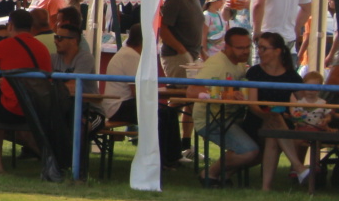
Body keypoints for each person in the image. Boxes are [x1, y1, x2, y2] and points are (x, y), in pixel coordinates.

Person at [0, 9, 52, 173]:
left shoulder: (6, 45)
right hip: (37, 107)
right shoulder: (42, 48)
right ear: (31, 27)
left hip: (13, 108)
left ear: (10, 26)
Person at [100, 25, 185, 164]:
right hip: (119, 106)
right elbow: (137, 91)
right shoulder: (130, 56)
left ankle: (172, 157)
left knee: (167, 113)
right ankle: (164, 159)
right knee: (161, 115)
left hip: (122, 103)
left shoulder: (129, 53)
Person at [187, 27, 255, 187]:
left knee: (263, 146)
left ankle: (222, 176)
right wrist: (225, 95)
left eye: (248, 47)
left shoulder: (239, 63)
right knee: (249, 151)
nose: (245, 51)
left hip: (230, 118)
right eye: (240, 48)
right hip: (211, 120)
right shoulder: (216, 64)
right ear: (227, 47)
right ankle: (210, 174)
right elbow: (192, 91)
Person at [245, 31, 309, 190]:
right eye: (258, 48)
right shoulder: (255, 72)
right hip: (257, 121)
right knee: (274, 119)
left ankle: (266, 188)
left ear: (277, 51)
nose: (259, 52)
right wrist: (267, 115)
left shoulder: (291, 75)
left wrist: (298, 114)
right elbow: (253, 105)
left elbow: (305, 101)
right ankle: (298, 167)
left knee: (273, 134)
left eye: (264, 48)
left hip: (281, 124)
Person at [160, 0, 210, 76]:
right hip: (176, 56)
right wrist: (182, 51)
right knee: (181, 86)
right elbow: (163, 29)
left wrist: (201, 50)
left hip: (192, 55)